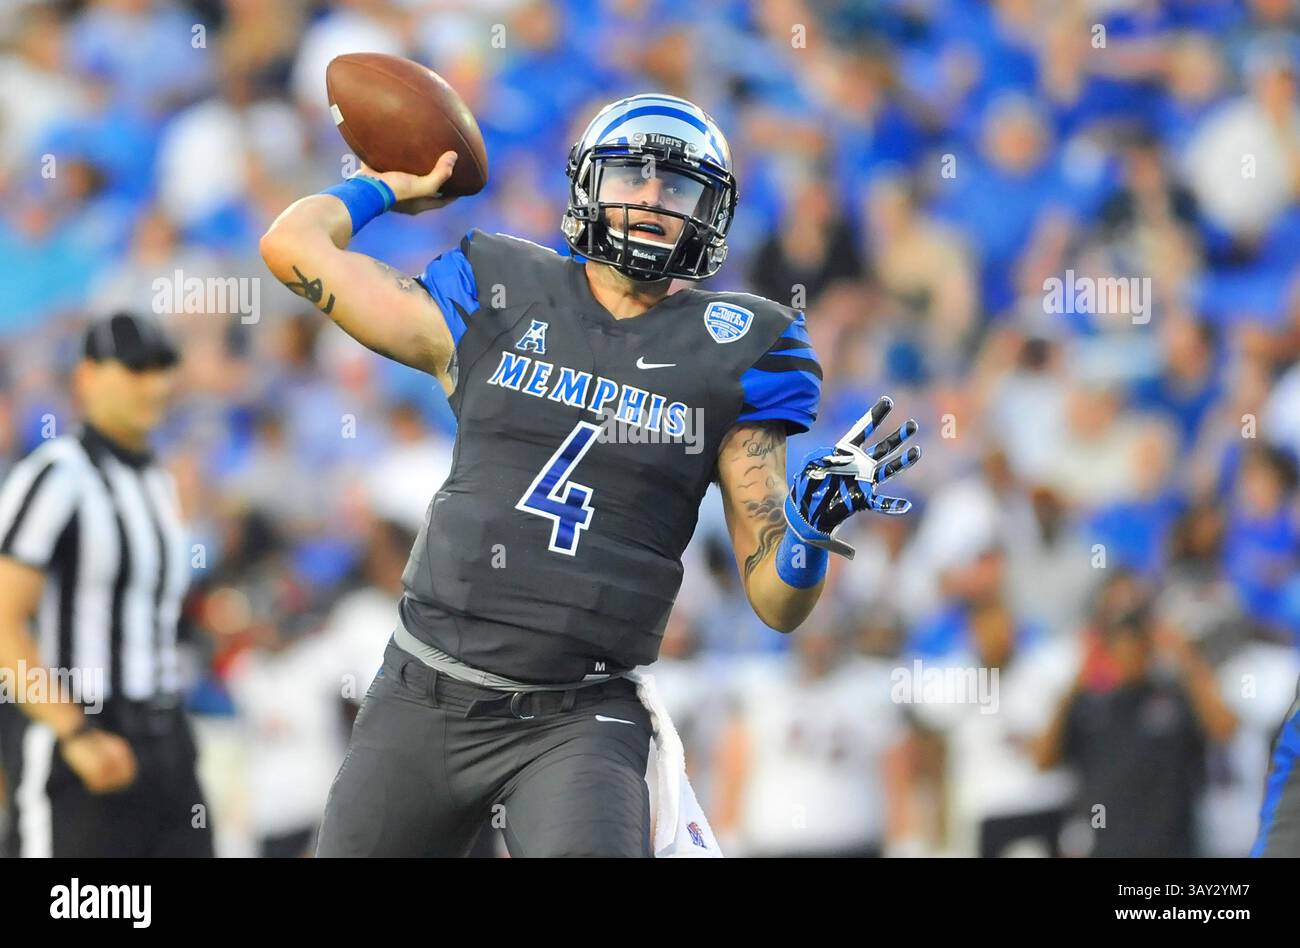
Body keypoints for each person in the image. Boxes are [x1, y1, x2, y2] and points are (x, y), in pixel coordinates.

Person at [259, 93, 923, 857]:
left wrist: (805, 532)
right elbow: (293, 247)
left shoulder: (741, 347)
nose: (649, 200)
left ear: (709, 213)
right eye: (631, 177)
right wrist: (386, 186)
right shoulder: (498, 289)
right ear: (586, 187)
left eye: (675, 188)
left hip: (580, 714)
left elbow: (776, 604)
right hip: (424, 688)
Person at [0, 311, 212, 857]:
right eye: (136, 369)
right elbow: (3, 620)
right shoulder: (56, 475)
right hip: (85, 737)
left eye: (163, 369)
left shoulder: (159, 484)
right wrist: (73, 731)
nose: (156, 385)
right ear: (88, 375)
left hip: (167, 741)